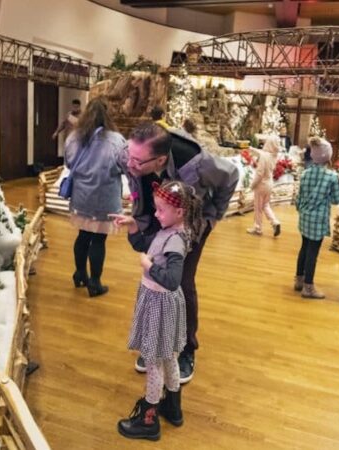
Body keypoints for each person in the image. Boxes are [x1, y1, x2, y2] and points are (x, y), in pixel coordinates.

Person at [122, 122, 238, 383]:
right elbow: (131, 172)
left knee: (181, 282)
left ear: (161, 160)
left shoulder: (196, 162)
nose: (129, 164)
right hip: (156, 217)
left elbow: (230, 175)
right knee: (152, 282)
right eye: (129, 156)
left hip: (189, 225)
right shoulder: (132, 153)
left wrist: (214, 216)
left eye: (137, 161)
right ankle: (154, 343)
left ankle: (187, 349)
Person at [111, 180, 202, 441]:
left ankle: (148, 420)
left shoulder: (175, 240)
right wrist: (132, 226)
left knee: (153, 360)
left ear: (179, 212)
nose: (155, 213)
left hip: (159, 304)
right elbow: (146, 245)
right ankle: (172, 406)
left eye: (161, 210)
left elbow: (172, 279)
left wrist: (149, 267)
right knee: (168, 356)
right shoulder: (169, 230)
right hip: (159, 302)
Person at [64, 99, 126, 297]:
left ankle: (80, 273)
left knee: (83, 236)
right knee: (99, 239)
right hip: (105, 197)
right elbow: (124, 165)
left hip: (81, 196)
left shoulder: (73, 137)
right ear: (107, 115)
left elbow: (68, 163)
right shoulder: (116, 140)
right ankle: (95, 282)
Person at [295, 137, 339, 299]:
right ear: (327, 156)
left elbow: (299, 196)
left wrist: (301, 209)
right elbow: (336, 199)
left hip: (304, 217)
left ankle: (299, 280)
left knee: (304, 247)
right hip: (318, 220)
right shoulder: (332, 176)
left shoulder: (305, 174)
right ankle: (308, 287)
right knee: (312, 253)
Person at [246, 138, 282, 237]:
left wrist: (252, 185)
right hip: (269, 183)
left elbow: (259, 173)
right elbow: (263, 153)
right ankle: (275, 222)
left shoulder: (264, 156)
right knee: (266, 205)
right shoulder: (274, 155)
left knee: (258, 207)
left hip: (261, 184)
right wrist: (252, 149)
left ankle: (257, 228)